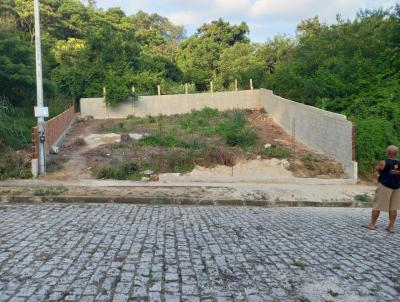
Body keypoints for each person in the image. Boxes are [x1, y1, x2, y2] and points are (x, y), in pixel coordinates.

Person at [366, 145, 400, 233]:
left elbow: (376, 171)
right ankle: (391, 227)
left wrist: (378, 175)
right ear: (396, 153)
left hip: (384, 186)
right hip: (396, 187)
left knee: (377, 205)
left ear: (387, 152)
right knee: (393, 208)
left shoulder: (383, 162)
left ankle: (372, 224)